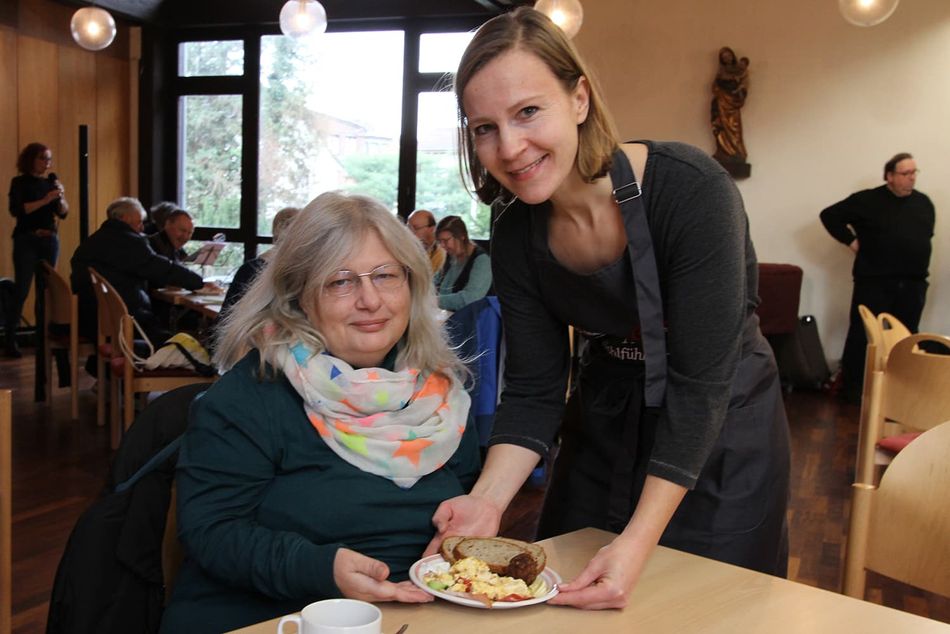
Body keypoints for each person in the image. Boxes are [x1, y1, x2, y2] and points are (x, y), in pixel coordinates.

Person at [426, 7, 790, 610]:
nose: (509, 148)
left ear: (579, 98)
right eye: (485, 127)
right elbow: (535, 388)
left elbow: (700, 388)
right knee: (569, 587)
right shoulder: (514, 226)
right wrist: (486, 501)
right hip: (606, 411)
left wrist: (637, 541)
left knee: (701, 606)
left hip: (721, 418)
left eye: (528, 111)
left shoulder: (690, 189)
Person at [160, 192, 480, 633]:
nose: (371, 300)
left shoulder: (441, 396)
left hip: (423, 613)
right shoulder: (250, 396)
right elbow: (211, 533)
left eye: (386, 275)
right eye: (340, 282)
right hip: (278, 615)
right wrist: (320, 567)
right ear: (298, 296)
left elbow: (467, 504)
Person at [819, 152, 935, 403]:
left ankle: (899, 392)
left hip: (913, 283)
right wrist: (852, 242)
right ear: (890, 176)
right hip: (875, 281)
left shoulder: (923, 203)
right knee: (863, 335)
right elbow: (829, 215)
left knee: (906, 337)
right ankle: (854, 390)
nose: (912, 178)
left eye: (914, 172)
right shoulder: (867, 200)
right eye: (906, 173)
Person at [70, 197, 213, 349]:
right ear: (125, 218)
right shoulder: (128, 241)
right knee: (182, 344)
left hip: (90, 318)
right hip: (126, 322)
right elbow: (160, 268)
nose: (142, 228)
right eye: (139, 222)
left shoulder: (92, 242)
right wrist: (199, 283)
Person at [6, 142, 68, 357]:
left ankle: (43, 338)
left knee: (47, 291)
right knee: (22, 289)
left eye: (49, 159)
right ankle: (10, 340)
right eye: (43, 158)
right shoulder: (19, 183)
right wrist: (46, 199)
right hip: (27, 240)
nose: (47, 163)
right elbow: (18, 210)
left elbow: (63, 213)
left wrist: (61, 197)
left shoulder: (49, 184)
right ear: (30, 159)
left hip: (49, 240)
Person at [433, 215, 492, 311]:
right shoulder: (451, 255)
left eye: (446, 240)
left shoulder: (482, 261)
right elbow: (435, 281)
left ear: (462, 236)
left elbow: (469, 298)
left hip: (469, 317)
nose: (442, 245)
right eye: (440, 241)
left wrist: (434, 301)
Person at [711, 46, 750, 164]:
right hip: (721, 103)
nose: (727, 58)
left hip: (732, 104)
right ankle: (724, 150)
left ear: (733, 56)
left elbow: (744, 85)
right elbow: (714, 87)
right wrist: (720, 92)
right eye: (724, 57)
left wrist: (739, 90)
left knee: (734, 128)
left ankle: (737, 152)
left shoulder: (739, 70)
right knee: (721, 127)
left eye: (728, 56)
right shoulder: (721, 71)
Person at [407, 208, 446, 274]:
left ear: (432, 229)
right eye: (408, 228)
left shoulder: (442, 253)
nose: (410, 232)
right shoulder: (411, 248)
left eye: (416, 228)